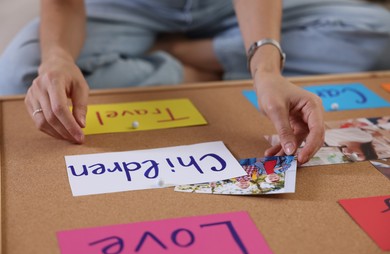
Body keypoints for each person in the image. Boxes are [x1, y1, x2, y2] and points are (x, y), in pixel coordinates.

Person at [1, 1, 389, 164]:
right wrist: (57, 56)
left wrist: (267, 69)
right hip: (129, 7)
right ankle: (199, 67)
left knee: (381, 35)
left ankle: (186, 53)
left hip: (228, 9)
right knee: (19, 72)